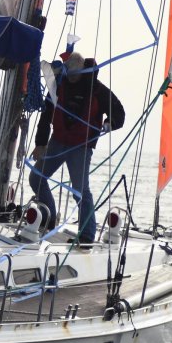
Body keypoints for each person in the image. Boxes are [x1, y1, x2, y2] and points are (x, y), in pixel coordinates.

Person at [29, 52, 125, 245]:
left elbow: (119, 112)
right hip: (58, 141)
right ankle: (49, 217)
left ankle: (87, 234)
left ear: (82, 69)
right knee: (36, 177)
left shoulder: (96, 89)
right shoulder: (59, 85)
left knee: (80, 190)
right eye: (69, 71)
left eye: (75, 72)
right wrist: (40, 144)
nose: (72, 76)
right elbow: (46, 116)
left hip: (81, 146)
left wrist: (109, 123)